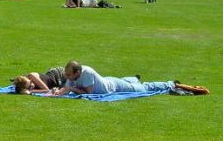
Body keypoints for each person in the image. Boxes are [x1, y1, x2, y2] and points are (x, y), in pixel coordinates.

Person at [52, 60, 209, 95]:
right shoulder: (72, 75)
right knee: (130, 82)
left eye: (69, 74)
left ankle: (170, 84)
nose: (67, 77)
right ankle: (133, 78)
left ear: (77, 72)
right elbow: (66, 85)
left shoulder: (87, 74)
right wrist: (57, 90)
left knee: (142, 88)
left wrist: (70, 88)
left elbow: (89, 92)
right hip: (110, 80)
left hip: (113, 87)